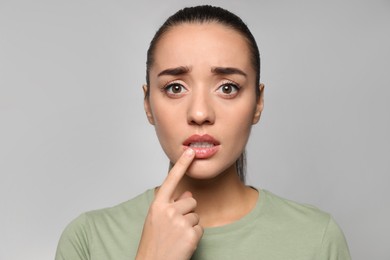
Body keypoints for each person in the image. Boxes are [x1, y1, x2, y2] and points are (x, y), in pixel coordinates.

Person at [55, 5, 351, 260]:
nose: (200, 114)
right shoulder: (89, 240)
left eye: (227, 88)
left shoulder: (316, 238)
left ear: (258, 103)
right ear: (148, 104)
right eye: (175, 88)